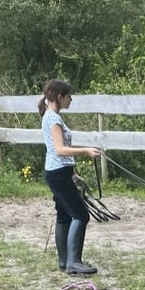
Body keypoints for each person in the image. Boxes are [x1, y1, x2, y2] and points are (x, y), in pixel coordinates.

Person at [38, 79, 100, 274]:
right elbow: (59, 149)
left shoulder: (51, 116)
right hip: (58, 174)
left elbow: (55, 151)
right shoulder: (54, 119)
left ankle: (65, 261)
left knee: (64, 215)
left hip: (59, 172)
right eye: (68, 96)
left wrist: (72, 173)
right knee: (80, 214)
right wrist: (86, 150)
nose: (70, 99)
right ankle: (74, 262)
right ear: (59, 97)